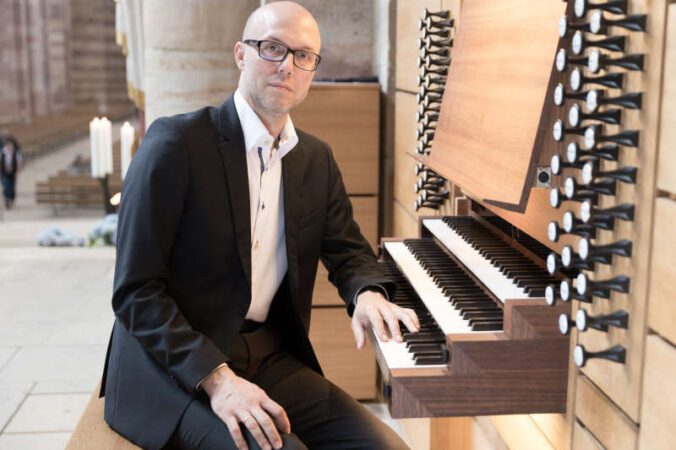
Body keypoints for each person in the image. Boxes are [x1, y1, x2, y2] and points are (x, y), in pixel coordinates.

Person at [100, 2, 418, 449]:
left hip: (266, 355)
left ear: (312, 71)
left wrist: (366, 292)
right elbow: (135, 291)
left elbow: (348, 251)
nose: (287, 66)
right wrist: (219, 380)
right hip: (173, 368)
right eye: (273, 48)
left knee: (386, 447)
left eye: (303, 56)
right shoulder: (177, 144)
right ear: (241, 55)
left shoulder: (315, 159)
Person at [0, 134, 23, 209]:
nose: (10, 146)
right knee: (6, 186)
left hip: (13, 172)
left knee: (12, 187)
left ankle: (11, 198)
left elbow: (19, 162)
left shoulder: (15, 152)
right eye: (8, 145)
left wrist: (17, 171)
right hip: (4, 172)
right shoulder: (2, 152)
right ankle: (7, 200)